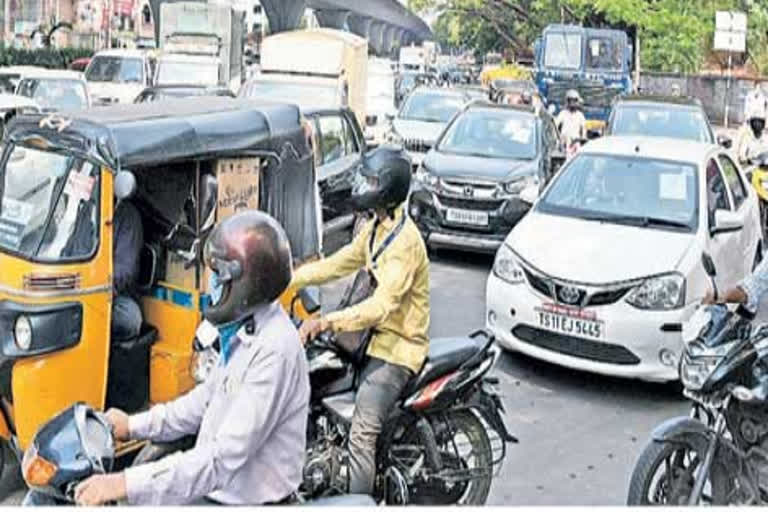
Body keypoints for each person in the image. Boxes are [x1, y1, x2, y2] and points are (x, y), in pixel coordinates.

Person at [73, 211, 310, 506]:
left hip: (243, 501)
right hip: (217, 490)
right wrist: (132, 425)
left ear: (245, 287)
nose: (210, 283)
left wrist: (124, 483)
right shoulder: (243, 331)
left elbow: (220, 460)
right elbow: (201, 403)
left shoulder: (274, 351)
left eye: (217, 276)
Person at [291, 145, 430, 495]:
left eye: (369, 180)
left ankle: (357, 502)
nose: (361, 186)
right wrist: (286, 278)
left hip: (395, 350)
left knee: (362, 432)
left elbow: (381, 307)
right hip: (367, 341)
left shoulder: (405, 244)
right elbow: (338, 263)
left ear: (387, 187)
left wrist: (326, 321)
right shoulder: (375, 228)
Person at [112, 199, 144, 342]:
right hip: (80, 288)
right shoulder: (87, 209)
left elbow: (124, 272)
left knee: (130, 319)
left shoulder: (127, 216)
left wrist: (95, 286)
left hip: (115, 295)